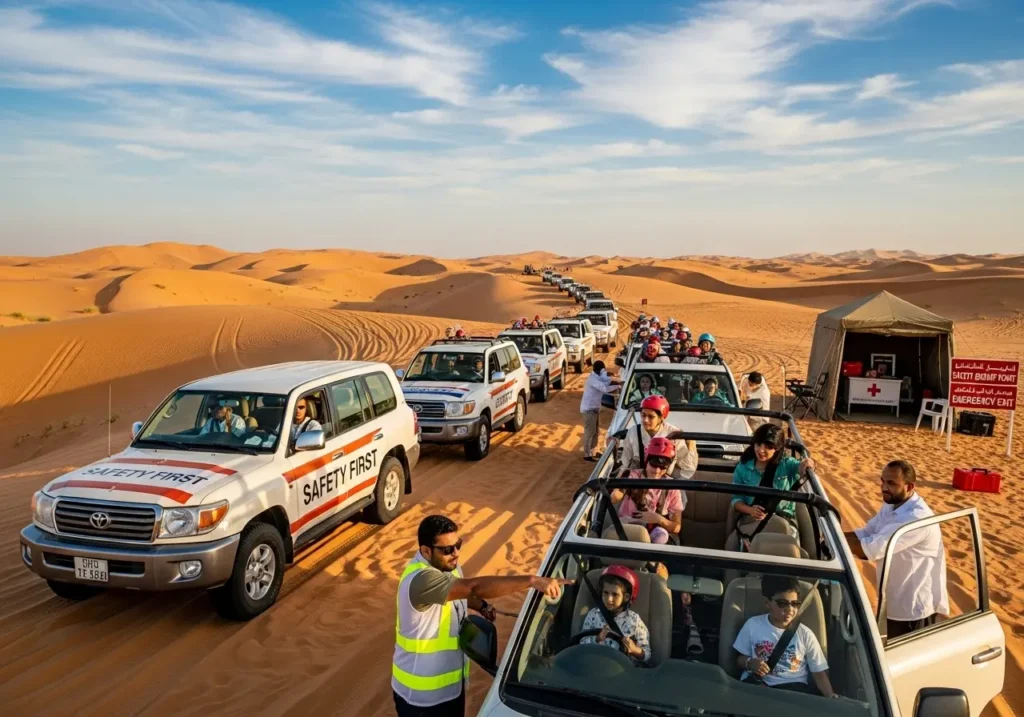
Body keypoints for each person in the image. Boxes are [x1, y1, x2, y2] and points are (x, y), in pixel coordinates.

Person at [393, 515, 572, 716]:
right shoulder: (421, 580)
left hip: (449, 690)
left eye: (458, 545)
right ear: (425, 551)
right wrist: (532, 581)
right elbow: (472, 587)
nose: (456, 553)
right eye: (447, 549)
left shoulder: (446, 566)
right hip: (420, 700)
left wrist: (481, 606)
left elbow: (459, 593)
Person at [844, 461, 949, 639]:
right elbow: (867, 532)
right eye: (882, 481)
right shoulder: (892, 503)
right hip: (892, 602)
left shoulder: (916, 518)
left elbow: (869, 549)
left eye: (891, 483)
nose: (884, 487)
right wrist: (829, 535)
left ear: (910, 486)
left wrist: (833, 539)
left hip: (914, 610)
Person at [733, 576, 836, 697]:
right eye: (782, 604)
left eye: (795, 604)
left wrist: (830, 697)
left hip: (794, 689)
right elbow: (739, 659)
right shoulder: (753, 625)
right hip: (759, 686)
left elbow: (819, 673)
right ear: (767, 602)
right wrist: (750, 663)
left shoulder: (805, 634)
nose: (790, 610)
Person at [731, 424, 814, 542]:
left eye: (768, 447)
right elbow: (735, 500)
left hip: (783, 521)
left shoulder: (786, 464)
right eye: (758, 444)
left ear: (777, 448)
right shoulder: (743, 467)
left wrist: (808, 463)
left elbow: (801, 467)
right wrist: (750, 510)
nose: (761, 450)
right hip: (751, 521)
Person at [612, 437, 685, 544]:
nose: (657, 471)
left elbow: (676, 527)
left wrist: (658, 519)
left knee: (662, 535)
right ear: (647, 460)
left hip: (655, 537)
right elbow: (614, 498)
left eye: (662, 467)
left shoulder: (672, 488)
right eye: (653, 465)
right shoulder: (631, 476)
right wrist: (619, 478)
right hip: (628, 531)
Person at [579, 566, 651, 663]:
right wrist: (597, 639)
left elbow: (647, 654)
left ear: (626, 597)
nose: (609, 599)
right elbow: (581, 644)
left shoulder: (634, 620)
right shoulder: (594, 615)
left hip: (623, 671)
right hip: (595, 665)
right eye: (605, 593)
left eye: (615, 594)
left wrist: (635, 650)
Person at [619, 395, 698, 479]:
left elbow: (688, 467)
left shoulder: (674, 434)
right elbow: (625, 461)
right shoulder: (633, 432)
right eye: (643, 415)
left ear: (661, 417)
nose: (645, 420)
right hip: (639, 482)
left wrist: (675, 486)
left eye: (651, 417)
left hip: (665, 482)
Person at [580, 360, 622, 462]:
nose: (604, 371)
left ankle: (592, 452)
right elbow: (604, 388)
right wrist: (618, 386)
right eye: (603, 370)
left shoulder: (598, 376)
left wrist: (617, 382)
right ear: (599, 370)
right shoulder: (592, 380)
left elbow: (606, 380)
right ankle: (587, 454)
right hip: (588, 410)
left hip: (594, 409)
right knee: (589, 432)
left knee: (595, 432)